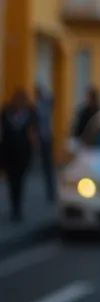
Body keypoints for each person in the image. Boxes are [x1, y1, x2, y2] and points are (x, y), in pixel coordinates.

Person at [1, 89, 38, 221]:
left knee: (19, 181)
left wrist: (33, 149)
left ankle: (18, 208)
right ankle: (14, 207)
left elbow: (32, 132)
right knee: (11, 182)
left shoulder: (29, 113)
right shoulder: (6, 112)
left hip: (23, 153)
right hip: (8, 153)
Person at [34, 81, 56, 203]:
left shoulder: (44, 104)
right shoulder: (37, 105)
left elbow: (52, 98)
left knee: (48, 167)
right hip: (42, 138)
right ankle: (50, 192)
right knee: (44, 167)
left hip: (46, 138)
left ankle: (51, 192)